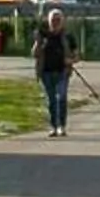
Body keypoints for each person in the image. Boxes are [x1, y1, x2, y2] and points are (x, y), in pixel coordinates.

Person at [33, 9, 75, 137]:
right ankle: (53, 126)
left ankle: (61, 126)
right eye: (53, 20)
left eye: (58, 20)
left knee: (61, 98)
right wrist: (38, 43)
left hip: (63, 72)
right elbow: (34, 54)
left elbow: (77, 55)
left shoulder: (68, 37)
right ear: (49, 21)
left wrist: (70, 60)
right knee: (51, 100)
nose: (55, 22)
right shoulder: (43, 36)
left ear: (62, 21)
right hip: (46, 72)